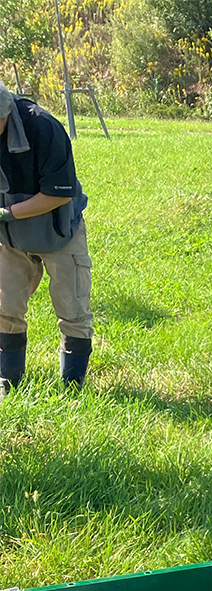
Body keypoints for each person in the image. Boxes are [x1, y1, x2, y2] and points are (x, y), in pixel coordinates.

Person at [0, 83, 93, 396]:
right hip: (10, 236)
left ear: (7, 110)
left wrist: (7, 212)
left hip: (59, 228)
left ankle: (72, 390)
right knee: (5, 308)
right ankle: (8, 383)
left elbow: (56, 195)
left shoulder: (43, 126)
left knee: (74, 309)